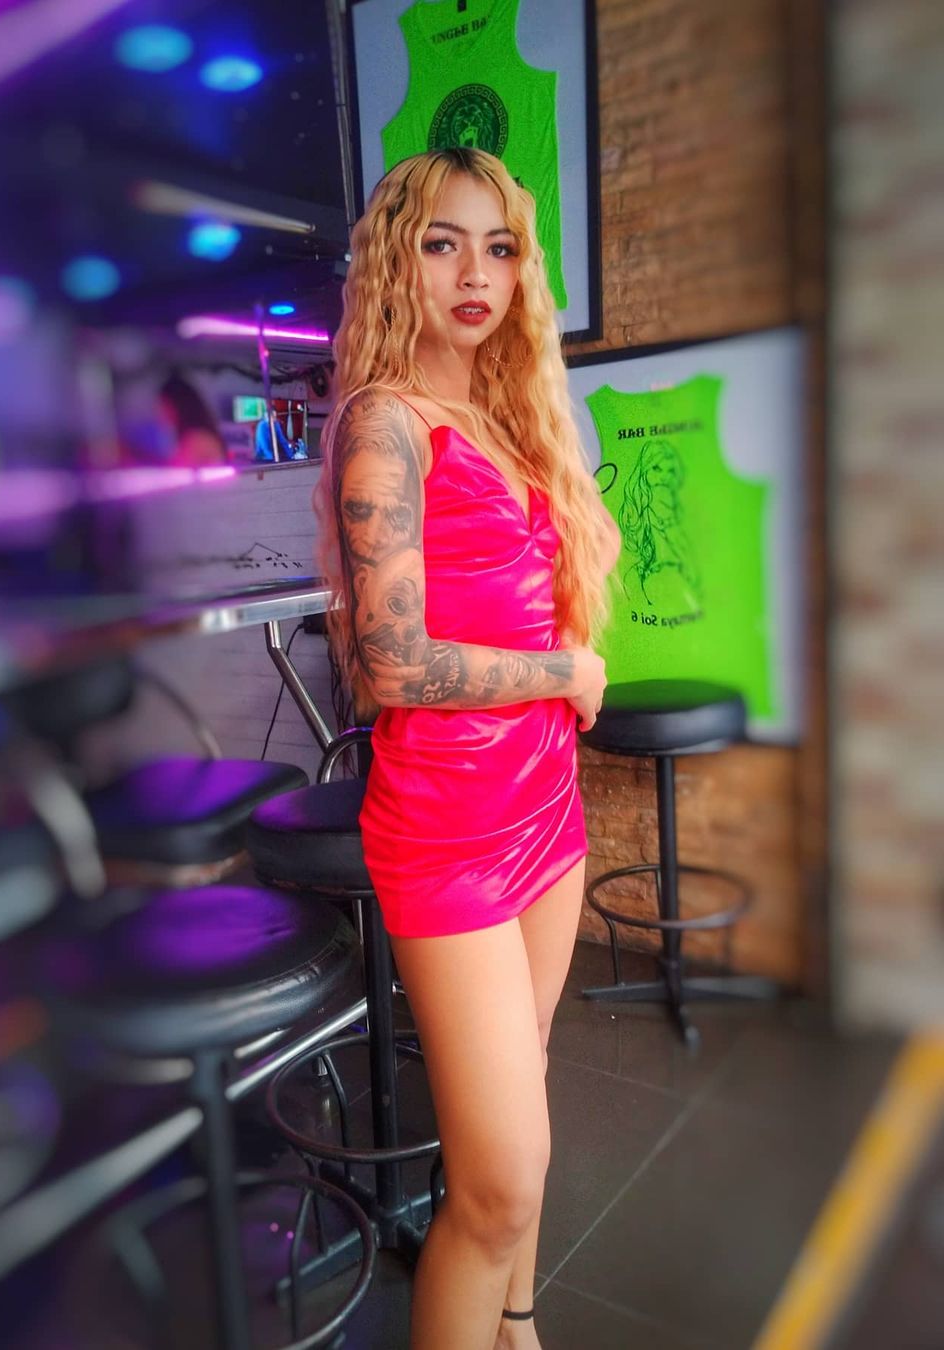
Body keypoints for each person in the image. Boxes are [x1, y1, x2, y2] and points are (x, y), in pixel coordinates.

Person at [317, 146, 621, 1350]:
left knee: (524, 1099)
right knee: (494, 1184)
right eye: (442, 244)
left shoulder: (507, 420)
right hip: (448, 835)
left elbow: (547, 584)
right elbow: (393, 665)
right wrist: (568, 674)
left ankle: (517, 1324)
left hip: (545, 809)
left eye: (499, 247)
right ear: (400, 261)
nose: (475, 273)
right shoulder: (386, 424)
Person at [156, 371, 226, 467]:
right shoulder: (200, 435)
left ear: (178, 407)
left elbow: (178, 470)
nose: (160, 413)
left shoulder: (197, 439)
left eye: (165, 406)